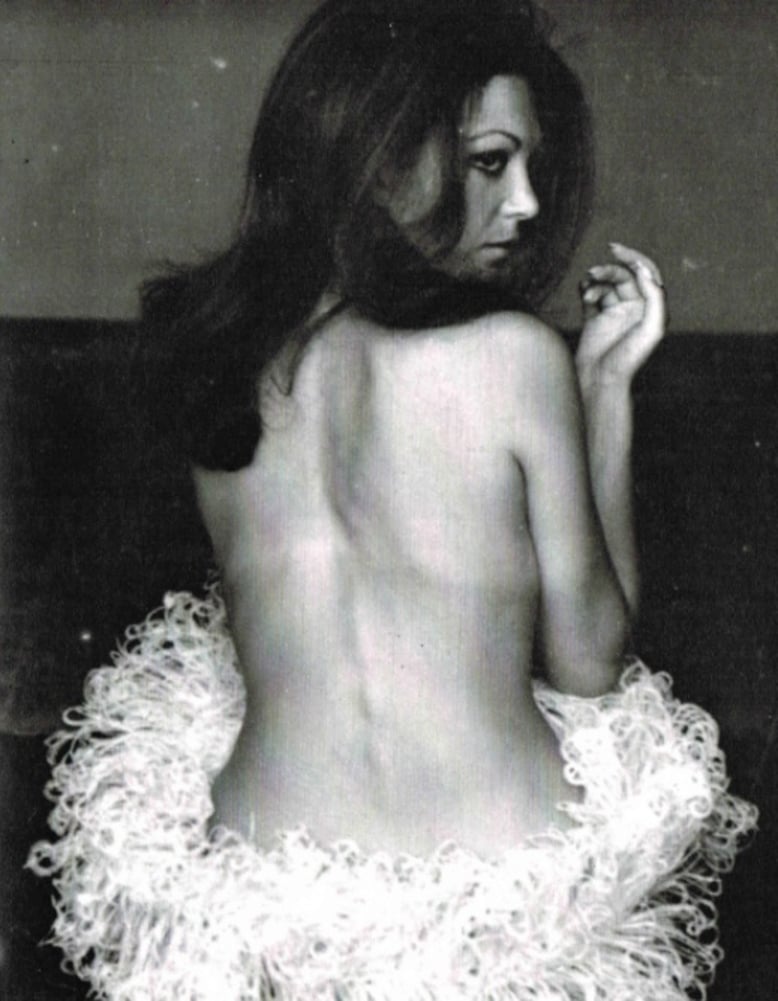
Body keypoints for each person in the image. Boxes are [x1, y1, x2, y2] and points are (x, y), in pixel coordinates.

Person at [29, 1, 757, 999]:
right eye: (490, 163)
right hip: (502, 920)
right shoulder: (512, 359)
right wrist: (604, 392)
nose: (527, 204)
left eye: (529, 167)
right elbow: (590, 665)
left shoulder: (216, 365)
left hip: (259, 924)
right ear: (376, 159)